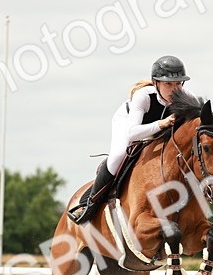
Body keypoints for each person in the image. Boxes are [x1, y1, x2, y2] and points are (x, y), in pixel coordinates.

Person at [68, 55, 192, 224]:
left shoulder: (187, 98)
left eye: (178, 84)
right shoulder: (144, 96)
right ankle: (88, 204)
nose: (174, 89)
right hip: (128, 124)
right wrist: (161, 124)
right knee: (118, 156)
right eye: (168, 84)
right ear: (156, 83)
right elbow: (132, 133)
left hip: (159, 131)